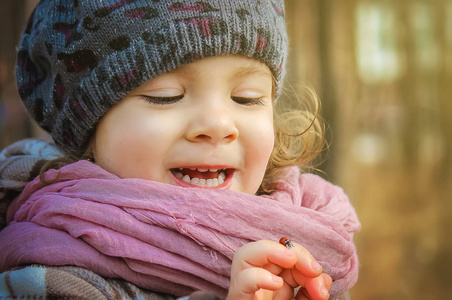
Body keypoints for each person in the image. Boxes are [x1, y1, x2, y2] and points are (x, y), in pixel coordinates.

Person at [0, 0, 361, 299]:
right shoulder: (50, 272)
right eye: (166, 97)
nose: (218, 125)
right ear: (88, 130)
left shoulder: (311, 237)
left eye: (246, 98)